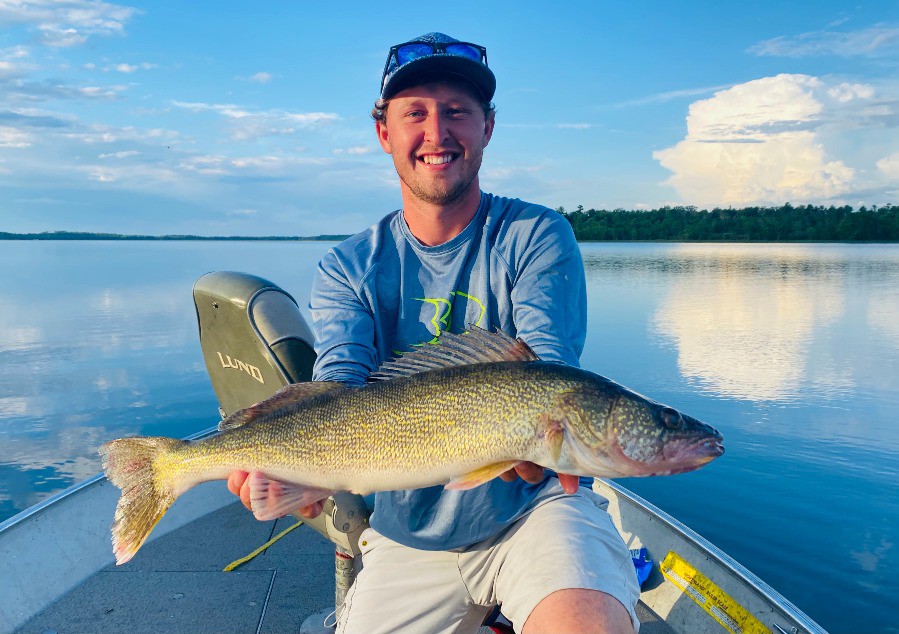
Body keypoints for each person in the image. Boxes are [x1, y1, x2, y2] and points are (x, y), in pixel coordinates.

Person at [228, 32, 640, 634]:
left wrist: (536, 446)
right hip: (407, 534)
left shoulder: (536, 235)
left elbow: (549, 372)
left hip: (537, 510)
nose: (438, 133)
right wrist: (291, 471)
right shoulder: (347, 267)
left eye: (457, 112)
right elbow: (338, 383)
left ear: (487, 128)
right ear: (383, 132)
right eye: (415, 113)